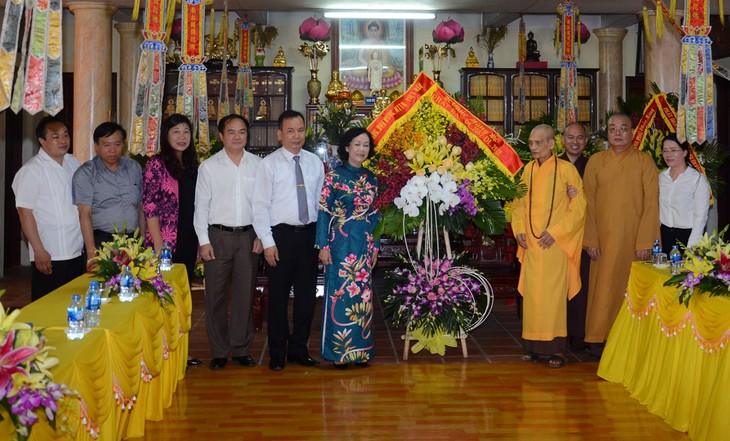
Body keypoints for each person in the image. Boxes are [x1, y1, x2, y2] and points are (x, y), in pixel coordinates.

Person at [252, 110, 325, 371]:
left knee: (307, 296)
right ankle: (277, 352)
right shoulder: (268, 164)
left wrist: (322, 239)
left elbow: (320, 203)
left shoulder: (315, 163)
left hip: (309, 236)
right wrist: (268, 242)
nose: (296, 136)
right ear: (280, 134)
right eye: (290, 131)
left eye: (300, 130)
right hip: (280, 237)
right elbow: (259, 206)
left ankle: (298, 349)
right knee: (279, 298)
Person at [582, 114, 659, 357]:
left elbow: (651, 205)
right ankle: (598, 337)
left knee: (629, 288)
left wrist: (646, 240)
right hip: (602, 239)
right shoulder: (596, 161)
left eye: (623, 129)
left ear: (632, 131)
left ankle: (627, 340)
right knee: (602, 287)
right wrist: (591, 238)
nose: (617, 133)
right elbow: (588, 204)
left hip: (633, 238)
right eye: (613, 128)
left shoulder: (645, 162)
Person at [511, 124, 586, 369]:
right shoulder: (527, 171)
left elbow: (579, 208)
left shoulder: (567, 170)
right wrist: (519, 230)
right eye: (531, 143)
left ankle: (556, 349)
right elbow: (519, 205)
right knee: (533, 296)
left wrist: (555, 233)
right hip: (532, 244)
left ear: (552, 144)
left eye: (538, 143)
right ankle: (533, 346)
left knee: (553, 297)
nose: (533, 147)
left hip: (554, 244)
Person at [194, 114, 263, 370]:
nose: (237, 137)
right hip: (217, 237)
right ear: (221, 136)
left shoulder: (258, 165)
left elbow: (262, 205)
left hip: (249, 237)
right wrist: (203, 241)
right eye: (231, 132)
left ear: (248, 135)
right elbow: (201, 206)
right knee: (215, 296)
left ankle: (241, 348)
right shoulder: (209, 167)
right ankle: (220, 351)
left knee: (245, 295)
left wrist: (261, 236)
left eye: (242, 132)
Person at [315, 128, 380, 369]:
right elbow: (324, 211)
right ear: (346, 147)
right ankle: (339, 353)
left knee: (362, 296)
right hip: (339, 242)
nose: (361, 149)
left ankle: (361, 352)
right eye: (357, 144)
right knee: (339, 296)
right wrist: (322, 245)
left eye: (365, 145)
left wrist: (375, 247)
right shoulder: (334, 176)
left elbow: (375, 215)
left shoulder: (372, 178)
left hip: (363, 243)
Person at [12, 116, 85, 301]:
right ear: (42, 141)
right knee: (48, 306)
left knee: (74, 304)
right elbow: (24, 212)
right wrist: (38, 250)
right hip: (51, 253)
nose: (63, 140)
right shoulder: (31, 171)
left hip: (76, 249)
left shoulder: (73, 162)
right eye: (55, 136)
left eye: (65, 135)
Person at [72, 122, 144, 271]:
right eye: (106, 145)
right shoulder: (86, 173)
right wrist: (92, 252)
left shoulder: (134, 168)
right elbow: (85, 214)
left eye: (117, 144)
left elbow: (141, 207)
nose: (113, 150)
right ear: (96, 146)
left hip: (133, 241)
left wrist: (142, 241)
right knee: (106, 287)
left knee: (133, 285)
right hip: (103, 242)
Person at [560, 122, 590, 352]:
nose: (575, 142)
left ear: (586, 141)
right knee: (558, 287)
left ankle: (579, 335)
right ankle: (558, 335)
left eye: (580, 138)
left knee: (580, 285)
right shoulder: (552, 165)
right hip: (557, 236)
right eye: (571, 137)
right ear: (562, 140)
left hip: (582, 234)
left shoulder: (592, 166)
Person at [659, 133, 711, 253]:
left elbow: (701, 216)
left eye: (673, 150)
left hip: (687, 236)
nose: (668, 154)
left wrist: (692, 245)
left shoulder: (697, 179)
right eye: (665, 151)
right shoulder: (661, 178)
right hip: (664, 235)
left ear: (685, 152)